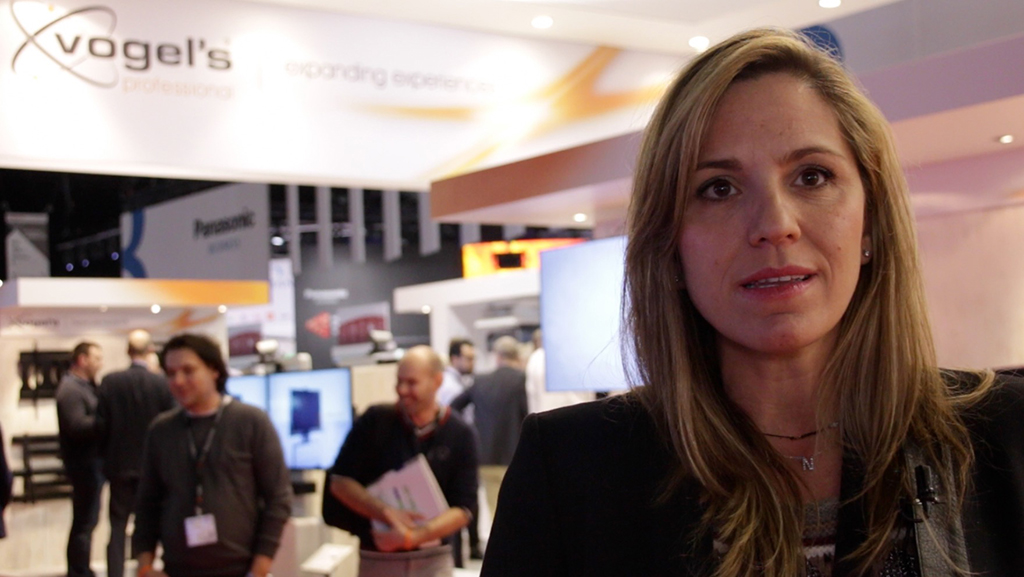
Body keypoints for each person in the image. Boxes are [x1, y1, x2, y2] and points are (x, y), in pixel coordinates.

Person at [482, 28, 1024, 577]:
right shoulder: (571, 469)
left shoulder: (1008, 433)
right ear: (669, 244)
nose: (775, 225)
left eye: (812, 176)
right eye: (719, 188)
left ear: (870, 222)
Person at [133, 334, 292, 577]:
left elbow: (278, 499)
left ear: (214, 370)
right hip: (176, 569)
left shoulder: (250, 422)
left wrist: (259, 569)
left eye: (188, 371)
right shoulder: (161, 430)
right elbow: (147, 503)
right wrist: (145, 567)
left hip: (239, 569)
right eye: (171, 373)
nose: (178, 381)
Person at [327, 345, 478, 576]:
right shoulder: (374, 421)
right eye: (399, 382)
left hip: (434, 562)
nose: (402, 390)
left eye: (412, 383)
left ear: (437, 381)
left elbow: (464, 508)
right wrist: (385, 512)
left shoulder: (460, 433)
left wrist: (412, 536)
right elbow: (339, 482)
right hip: (376, 559)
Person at [95, 330, 176, 577]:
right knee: (156, 524)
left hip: (119, 467)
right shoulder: (161, 383)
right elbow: (173, 425)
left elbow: (100, 426)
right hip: (154, 468)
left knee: (118, 527)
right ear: (150, 350)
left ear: (128, 351)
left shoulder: (110, 382)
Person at [55, 341, 104, 577]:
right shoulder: (70, 390)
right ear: (82, 360)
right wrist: (105, 421)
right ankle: (78, 571)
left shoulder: (86, 387)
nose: (100, 364)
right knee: (84, 522)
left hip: (92, 464)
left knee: (88, 521)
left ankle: (81, 568)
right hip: (83, 466)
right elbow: (76, 426)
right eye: (96, 358)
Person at [523, 329, 593, 414]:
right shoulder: (581, 356)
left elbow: (532, 395)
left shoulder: (536, 358)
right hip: (578, 415)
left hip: (546, 415)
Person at [436, 338, 475, 408]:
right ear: (455, 359)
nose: (473, 363)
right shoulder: (450, 387)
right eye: (469, 358)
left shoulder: (456, 382)